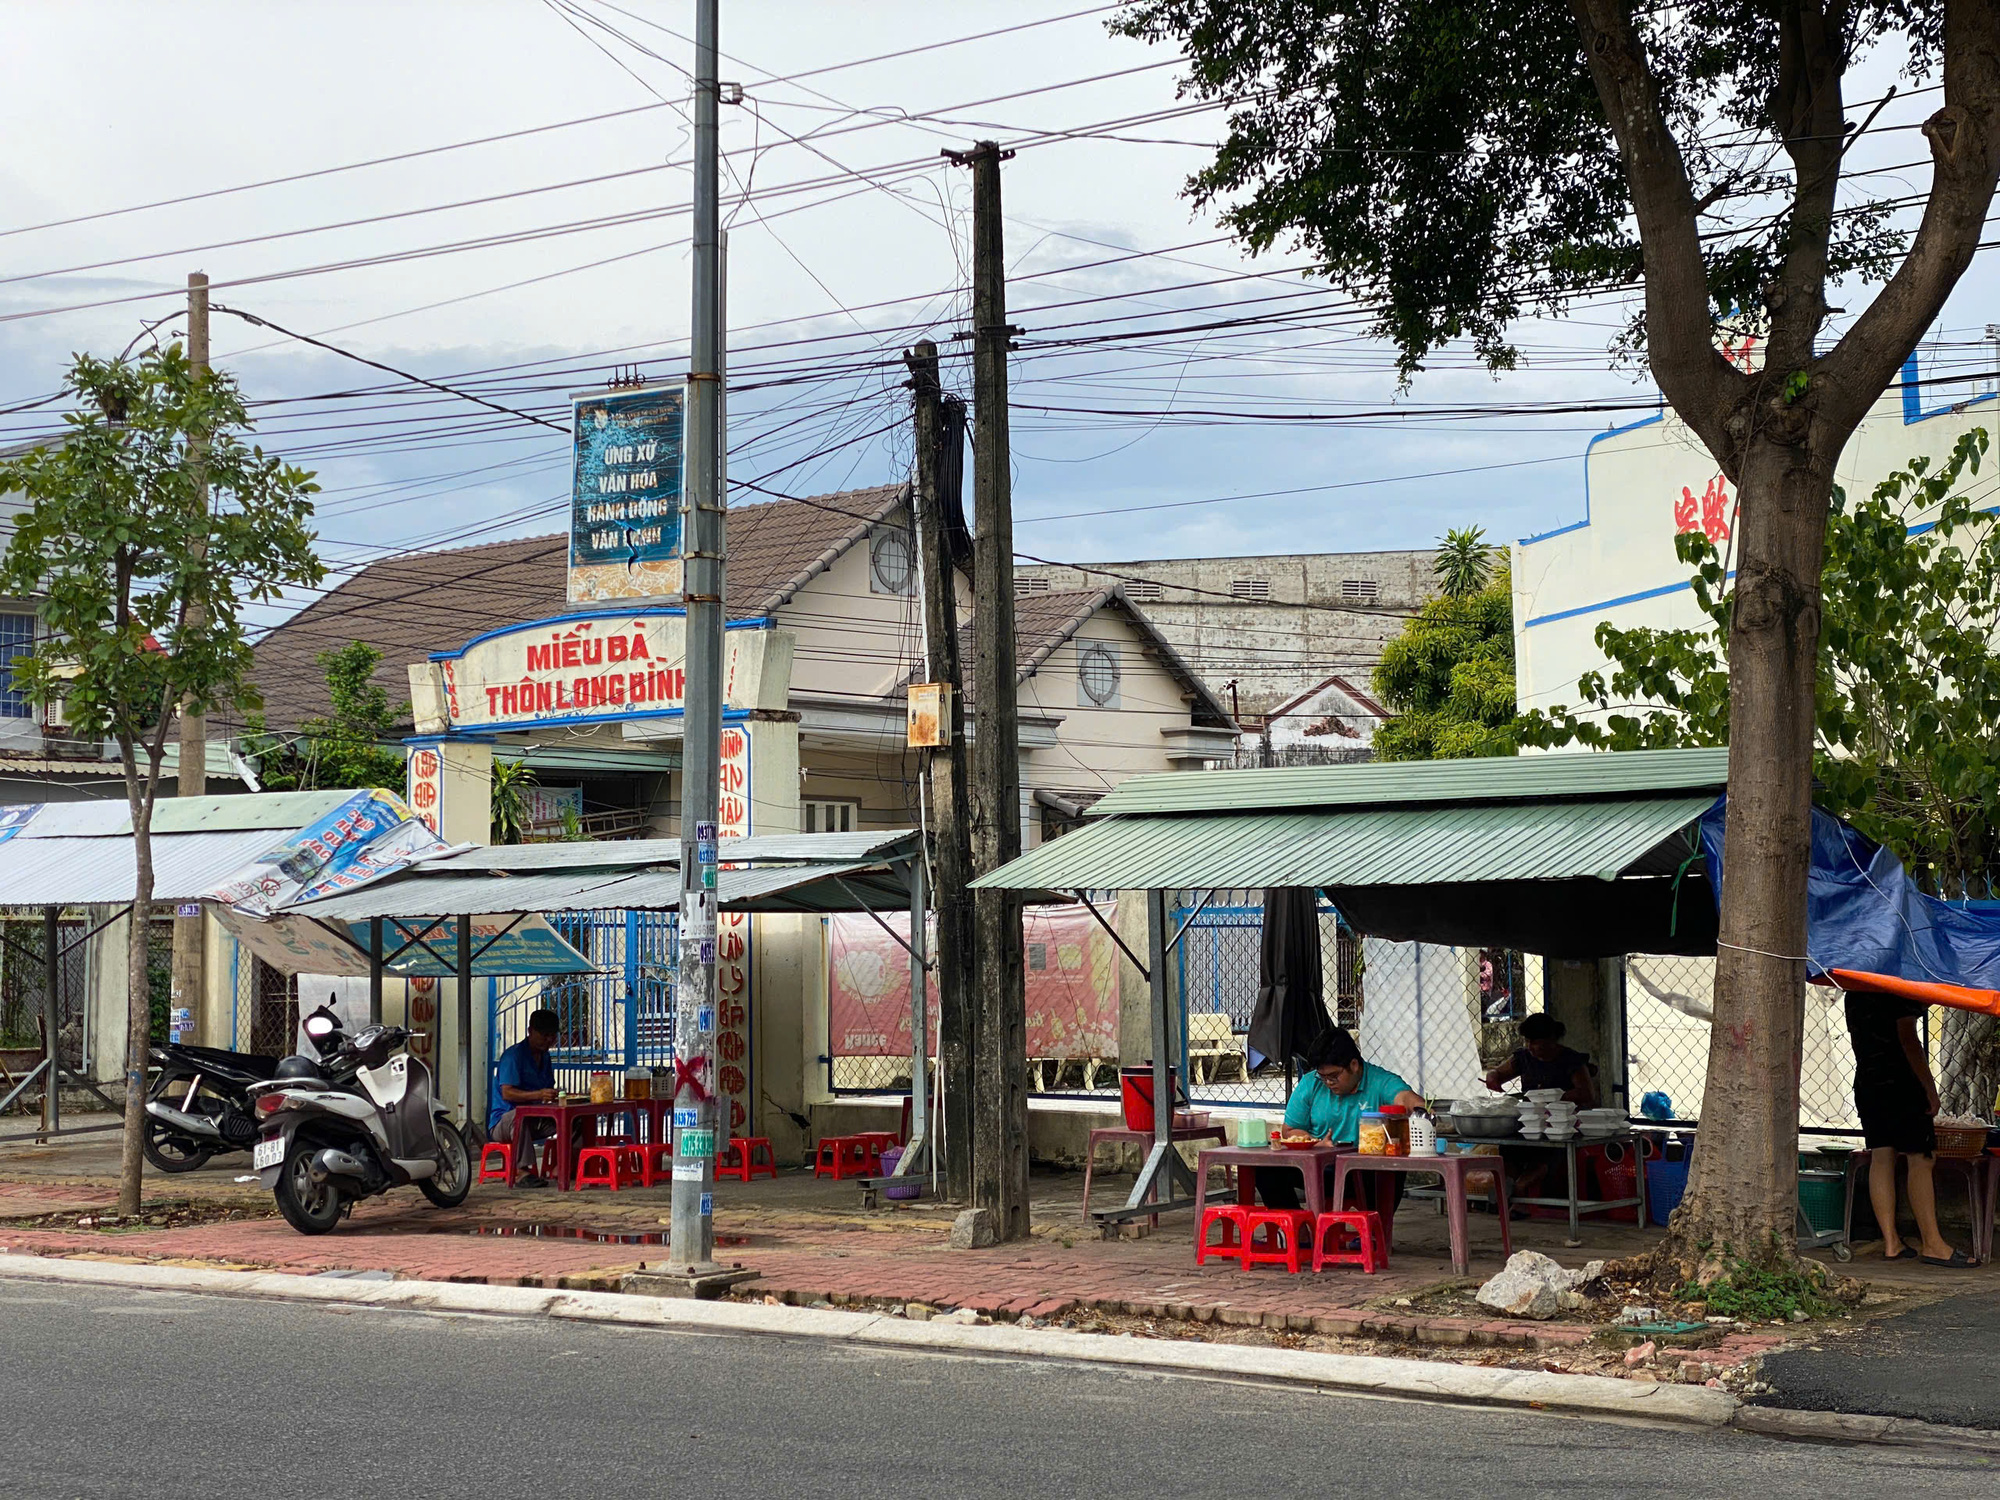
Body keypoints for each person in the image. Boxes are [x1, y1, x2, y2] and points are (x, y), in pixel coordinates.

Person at [1846, 992, 1975, 1267]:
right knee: (1921, 1158)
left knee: (1882, 1155)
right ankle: (1933, 1243)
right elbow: (1907, 1037)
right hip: (1902, 1080)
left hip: (1869, 1079)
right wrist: (1929, 1088)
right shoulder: (1894, 986)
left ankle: (1892, 1242)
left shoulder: (1855, 990)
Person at [1255, 1027, 1424, 1221]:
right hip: (1319, 1170)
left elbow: (1405, 1098)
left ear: (1353, 1065)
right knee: (1265, 1169)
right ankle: (1299, 1229)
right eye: (1323, 1076)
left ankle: (1374, 1232)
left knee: (1391, 1167)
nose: (1328, 1082)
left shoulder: (1380, 1081)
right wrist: (1316, 1142)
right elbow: (1290, 1129)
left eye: (1334, 1076)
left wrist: (1420, 1109)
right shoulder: (1311, 1083)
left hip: (1363, 1171)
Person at [489, 1009, 561, 1189]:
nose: (548, 1040)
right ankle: (521, 1171)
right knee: (518, 1116)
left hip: (535, 1119)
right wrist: (539, 1094)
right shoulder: (513, 1056)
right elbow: (507, 1093)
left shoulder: (545, 1057)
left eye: (552, 1036)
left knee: (574, 1120)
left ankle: (563, 1165)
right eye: (544, 1035)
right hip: (503, 1123)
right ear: (530, 1031)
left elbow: (548, 1088)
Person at [1484, 1014, 1598, 1106]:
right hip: (1532, 1119)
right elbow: (1498, 1073)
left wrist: (1550, 1097)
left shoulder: (1571, 1060)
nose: (1529, 1046)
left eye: (1534, 1042)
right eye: (1527, 1041)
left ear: (1551, 1039)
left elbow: (1586, 1094)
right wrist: (1492, 1076)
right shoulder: (1523, 1057)